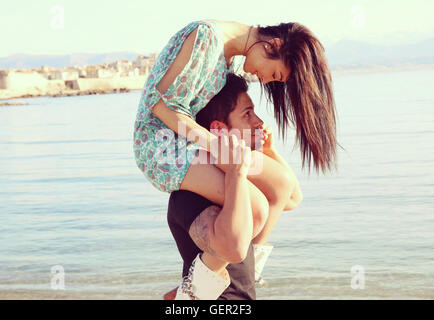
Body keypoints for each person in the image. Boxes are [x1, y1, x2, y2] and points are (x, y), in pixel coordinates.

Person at [133, 19, 337, 297]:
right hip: (162, 145)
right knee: (255, 208)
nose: (265, 80)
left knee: (282, 185)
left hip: (193, 142)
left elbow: (290, 195)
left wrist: (255, 146)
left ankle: (248, 275)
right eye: (274, 74)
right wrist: (217, 146)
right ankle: (191, 293)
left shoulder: (225, 56)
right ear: (271, 46)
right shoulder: (205, 37)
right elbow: (162, 107)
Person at [166, 73, 302, 299]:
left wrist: (269, 151)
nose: (259, 122)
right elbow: (232, 248)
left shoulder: (238, 182)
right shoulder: (189, 195)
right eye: (247, 114)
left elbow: (291, 198)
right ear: (219, 130)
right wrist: (236, 172)